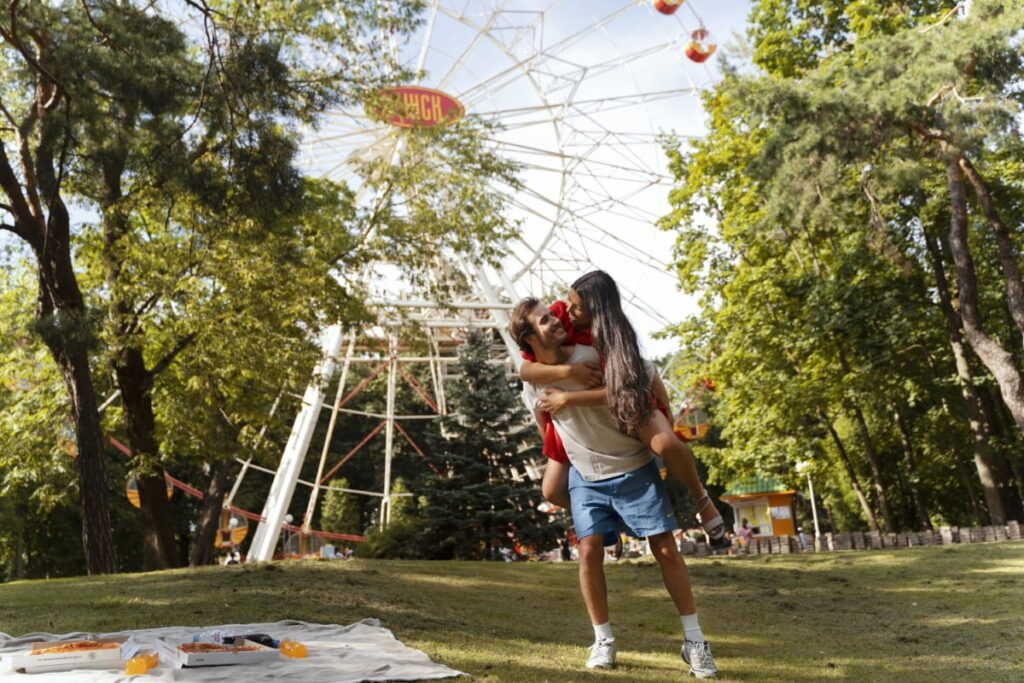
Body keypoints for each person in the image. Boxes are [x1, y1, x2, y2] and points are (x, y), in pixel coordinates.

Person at [509, 297, 718, 678]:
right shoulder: (534, 382)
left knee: (667, 550)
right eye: (544, 320)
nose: (556, 318)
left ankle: (696, 641)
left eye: (554, 314)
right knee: (587, 551)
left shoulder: (593, 353)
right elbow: (546, 426)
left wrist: (664, 416)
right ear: (529, 337)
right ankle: (602, 639)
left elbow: (645, 372)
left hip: (632, 465)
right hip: (586, 475)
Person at [519, 272, 726, 548]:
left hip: (626, 401)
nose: (566, 311)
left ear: (597, 311)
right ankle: (607, 526)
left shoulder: (615, 339)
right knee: (551, 489)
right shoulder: (562, 317)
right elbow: (525, 370)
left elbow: (641, 377)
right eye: (568, 304)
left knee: (666, 444)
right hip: (573, 423)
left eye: (577, 307)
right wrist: (569, 372)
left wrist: (665, 408)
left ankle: (702, 498)